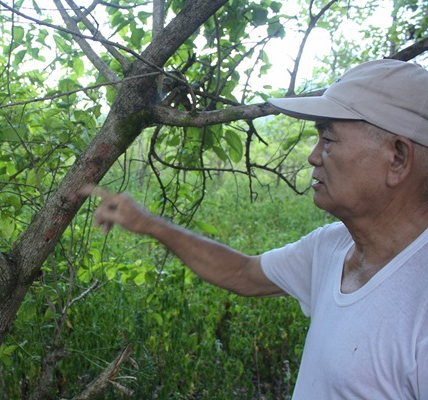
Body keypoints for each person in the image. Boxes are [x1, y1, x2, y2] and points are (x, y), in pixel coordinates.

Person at [83, 59, 428, 399]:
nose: (313, 156)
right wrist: (147, 223)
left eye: (328, 139)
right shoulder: (332, 248)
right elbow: (245, 272)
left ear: (397, 158)